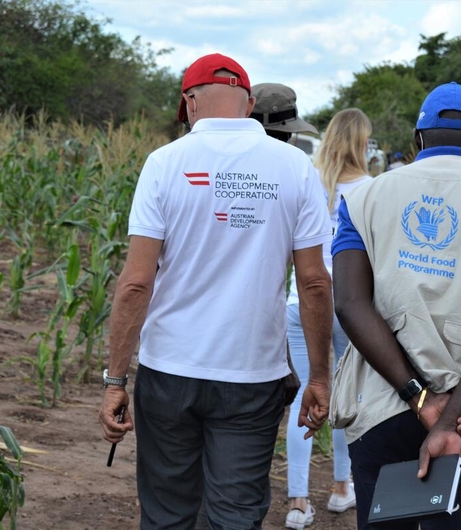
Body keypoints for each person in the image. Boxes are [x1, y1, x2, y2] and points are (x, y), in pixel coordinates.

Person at [97, 53, 334, 530]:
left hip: (169, 373)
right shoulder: (295, 167)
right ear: (248, 104)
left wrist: (115, 380)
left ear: (189, 104)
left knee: (167, 513)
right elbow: (313, 282)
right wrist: (320, 377)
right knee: (236, 513)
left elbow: (136, 283)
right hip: (251, 375)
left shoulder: (164, 163)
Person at [330, 81, 461, 529]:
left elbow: (351, 305)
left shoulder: (363, 198)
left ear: (418, 139)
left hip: (383, 406)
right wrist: (450, 419)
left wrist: (420, 397)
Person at [280, 108, 373, 529]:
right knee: (344, 398)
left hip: (301, 300)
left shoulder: (306, 180)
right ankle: (341, 487)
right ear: (362, 143)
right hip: (346, 303)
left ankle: (298, 501)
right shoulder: (373, 189)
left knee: (304, 397)